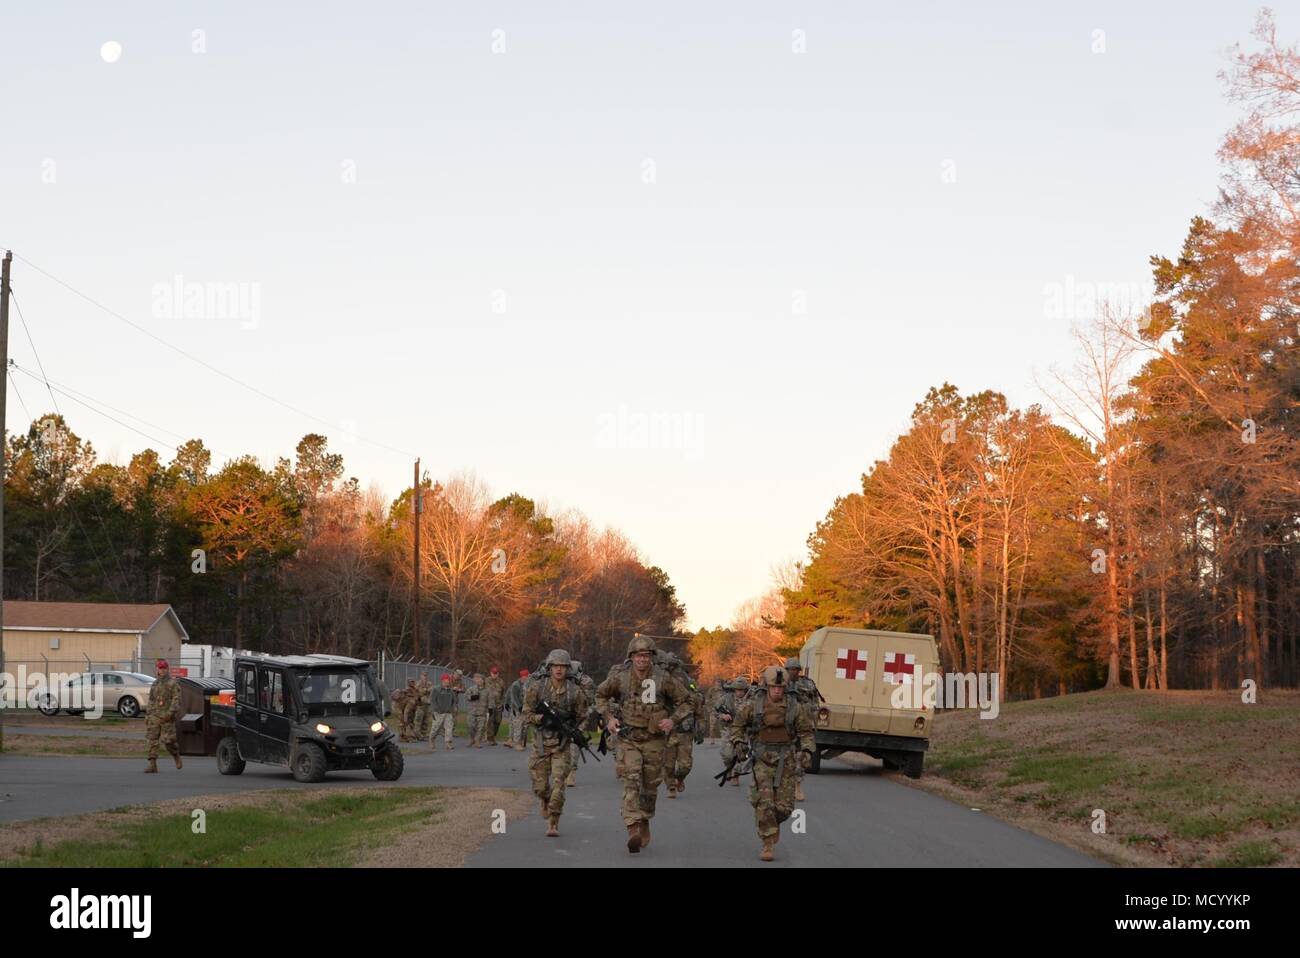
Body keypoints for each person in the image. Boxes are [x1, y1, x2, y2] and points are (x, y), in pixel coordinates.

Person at [595, 635, 693, 854]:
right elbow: (600, 695)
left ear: (651, 658)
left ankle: (644, 819)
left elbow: (687, 701)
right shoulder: (620, 677)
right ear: (631, 657)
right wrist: (609, 718)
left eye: (646, 656)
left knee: (649, 787)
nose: (642, 659)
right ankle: (632, 829)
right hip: (628, 738)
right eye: (638, 655)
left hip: (654, 740)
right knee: (631, 780)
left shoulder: (664, 678)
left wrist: (673, 720)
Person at [728, 665, 815, 861]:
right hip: (762, 758)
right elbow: (737, 726)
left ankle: (773, 823)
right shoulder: (754, 705)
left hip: (786, 759)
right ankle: (767, 842)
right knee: (764, 801)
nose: (777, 690)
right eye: (773, 687)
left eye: (781, 687)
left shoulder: (795, 707)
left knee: (784, 808)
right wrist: (738, 742)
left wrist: (807, 750)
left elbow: (806, 732)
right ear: (766, 687)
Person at [522, 649, 589, 837]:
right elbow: (525, 713)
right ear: (549, 667)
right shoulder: (537, 687)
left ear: (567, 669)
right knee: (540, 786)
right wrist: (541, 719)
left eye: (562, 666)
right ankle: (544, 799)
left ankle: (553, 822)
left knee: (559, 783)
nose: (559, 670)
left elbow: (584, 717)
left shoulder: (574, 692)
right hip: (541, 744)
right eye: (555, 666)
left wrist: (577, 733)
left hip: (562, 745)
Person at [785, 658, 821, 802]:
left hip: (802, 726)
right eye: (790, 669)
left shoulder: (807, 683)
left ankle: (797, 786)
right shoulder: (779, 683)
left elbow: (815, 704)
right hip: (784, 726)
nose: (793, 672)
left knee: (801, 758)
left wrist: (812, 722)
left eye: (795, 669)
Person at [144, 658, 182, 773]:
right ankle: (152, 764)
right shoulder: (155, 684)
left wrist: (170, 713)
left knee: (168, 741)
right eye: (160, 668)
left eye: (164, 668)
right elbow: (151, 700)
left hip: (167, 716)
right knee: (152, 740)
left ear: (167, 669)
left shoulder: (173, 683)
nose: (162, 670)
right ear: (157, 669)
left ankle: (176, 755)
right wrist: (148, 715)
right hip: (154, 716)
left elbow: (177, 700)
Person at [714, 676, 750, 785]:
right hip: (728, 729)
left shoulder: (750, 700)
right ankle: (729, 767)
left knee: (741, 753)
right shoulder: (726, 698)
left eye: (742, 690)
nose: (739, 692)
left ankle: (736, 775)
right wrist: (722, 715)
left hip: (743, 731)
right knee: (727, 754)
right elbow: (715, 710)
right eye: (737, 690)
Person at [566, 661, 596, 786]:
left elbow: (589, 701)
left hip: (580, 716)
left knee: (574, 741)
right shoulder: (562, 679)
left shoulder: (586, 681)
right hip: (564, 714)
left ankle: (571, 772)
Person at [428, 673, 458, 749]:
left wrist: (453, 708)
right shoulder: (436, 689)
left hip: (448, 712)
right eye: (446, 680)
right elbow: (432, 700)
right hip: (438, 712)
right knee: (436, 728)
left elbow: (454, 701)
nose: (447, 682)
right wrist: (435, 709)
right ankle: (432, 740)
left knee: (449, 728)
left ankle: (448, 743)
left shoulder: (451, 691)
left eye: (448, 680)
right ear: (442, 680)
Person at [504, 668, 531, 750]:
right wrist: (518, 706)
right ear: (523, 677)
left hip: (526, 708)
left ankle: (521, 741)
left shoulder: (528, 684)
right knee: (518, 725)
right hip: (517, 708)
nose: (528, 678)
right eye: (527, 676)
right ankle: (517, 743)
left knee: (525, 726)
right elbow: (513, 696)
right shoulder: (516, 685)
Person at [466, 673, 489, 747]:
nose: (479, 681)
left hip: (482, 712)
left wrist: (490, 709)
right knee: (470, 726)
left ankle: (477, 741)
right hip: (472, 711)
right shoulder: (472, 689)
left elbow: (490, 700)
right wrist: (472, 697)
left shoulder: (487, 690)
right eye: (478, 679)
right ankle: (471, 739)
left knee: (481, 728)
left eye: (481, 679)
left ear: (483, 681)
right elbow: (466, 697)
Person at [484, 666, 505, 745]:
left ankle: (493, 735)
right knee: (490, 721)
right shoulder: (486, 681)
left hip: (498, 704)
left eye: (496, 673)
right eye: (493, 673)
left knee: (498, 721)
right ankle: (490, 738)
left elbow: (503, 693)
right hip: (490, 705)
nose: (494, 675)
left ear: (498, 674)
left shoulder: (501, 682)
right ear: (490, 673)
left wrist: (502, 703)